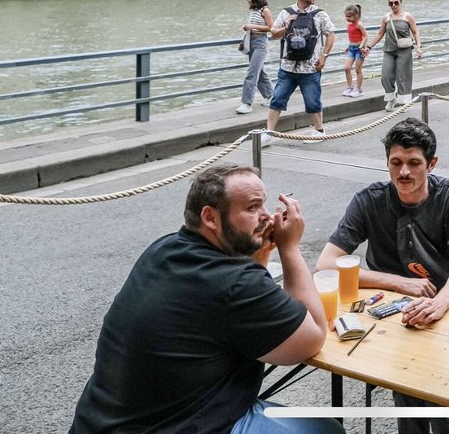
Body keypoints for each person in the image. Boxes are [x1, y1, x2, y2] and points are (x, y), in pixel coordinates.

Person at [70, 163, 339, 434]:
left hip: (99, 423)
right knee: (326, 430)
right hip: (173, 426)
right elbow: (313, 336)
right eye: (252, 207)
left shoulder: (163, 248)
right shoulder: (234, 283)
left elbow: (234, 306)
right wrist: (289, 247)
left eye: (264, 205)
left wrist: (258, 254)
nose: (267, 217)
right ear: (210, 217)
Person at [316, 119, 449, 434]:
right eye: (396, 163)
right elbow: (326, 265)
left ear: (431, 164)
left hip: (447, 298)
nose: (403, 172)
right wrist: (398, 282)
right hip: (389, 309)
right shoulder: (368, 200)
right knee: (414, 369)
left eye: (413, 163)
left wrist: (439, 303)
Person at [263, 0, 335, 145]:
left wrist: (324, 56)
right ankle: (269, 132)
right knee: (277, 99)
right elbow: (273, 34)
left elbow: (331, 34)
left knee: (312, 101)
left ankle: (319, 131)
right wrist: (287, 26)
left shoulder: (319, 14)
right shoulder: (286, 13)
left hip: (310, 67)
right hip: (288, 66)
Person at [363, 0, 423, 112]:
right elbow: (380, 34)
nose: (394, 5)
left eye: (396, 3)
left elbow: (415, 32)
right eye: (391, 3)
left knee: (402, 77)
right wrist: (368, 47)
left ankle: (403, 103)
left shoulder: (408, 16)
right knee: (385, 76)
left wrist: (419, 47)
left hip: (404, 51)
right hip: (389, 50)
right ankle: (391, 99)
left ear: (400, 3)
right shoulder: (386, 18)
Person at [237, 0, 275, 114]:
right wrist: (248, 27)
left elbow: (271, 28)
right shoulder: (253, 10)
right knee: (259, 72)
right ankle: (271, 96)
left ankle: (246, 103)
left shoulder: (265, 10)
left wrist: (251, 25)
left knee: (252, 73)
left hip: (260, 44)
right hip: (251, 42)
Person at [340, 4, 367, 98]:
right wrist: (349, 46)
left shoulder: (359, 24)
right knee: (347, 67)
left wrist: (361, 46)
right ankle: (350, 87)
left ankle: (359, 89)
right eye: (346, 16)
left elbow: (365, 36)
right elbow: (352, 37)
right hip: (351, 48)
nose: (347, 18)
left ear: (356, 15)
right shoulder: (348, 24)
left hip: (360, 50)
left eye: (349, 16)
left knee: (358, 69)